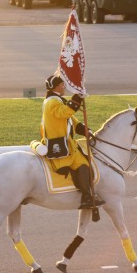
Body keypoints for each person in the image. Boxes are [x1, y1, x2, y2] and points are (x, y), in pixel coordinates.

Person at [40, 74, 104, 210]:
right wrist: (78, 96)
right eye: (63, 85)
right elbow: (66, 112)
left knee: (83, 162)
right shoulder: (52, 102)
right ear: (57, 86)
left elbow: (72, 121)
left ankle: (87, 196)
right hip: (59, 147)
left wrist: (86, 131)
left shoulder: (57, 100)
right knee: (81, 163)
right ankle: (86, 197)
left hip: (68, 144)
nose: (64, 87)